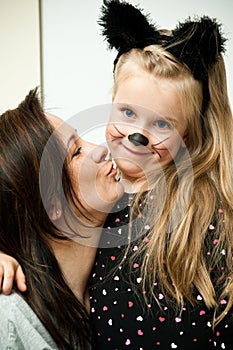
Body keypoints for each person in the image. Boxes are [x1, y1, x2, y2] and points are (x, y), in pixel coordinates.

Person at [1, 0, 233, 348]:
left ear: (186, 136)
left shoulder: (201, 217)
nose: (136, 135)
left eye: (161, 124)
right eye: (126, 112)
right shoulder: (100, 210)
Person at [0, 88, 123, 349]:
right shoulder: (10, 320)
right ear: (51, 204)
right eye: (76, 152)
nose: (100, 149)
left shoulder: (111, 284)